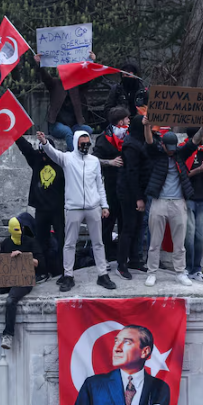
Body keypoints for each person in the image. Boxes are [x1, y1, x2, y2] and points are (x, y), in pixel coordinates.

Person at [36, 130, 117, 292]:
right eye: (82, 143)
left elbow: (99, 185)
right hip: (74, 207)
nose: (85, 146)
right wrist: (44, 142)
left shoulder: (94, 161)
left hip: (93, 207)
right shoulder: (67, 159)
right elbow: (53, 153)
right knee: (69, 243)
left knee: (98, 242)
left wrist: (105, 205)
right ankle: (68, 275)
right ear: (76, 142)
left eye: (88, 143)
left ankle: (102, 274)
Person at [0, 216, 44, 351]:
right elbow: (3, 262)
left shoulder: (31, 242)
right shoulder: (6, 243)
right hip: (8, 279)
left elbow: (39, 263)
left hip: (24, 280)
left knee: (11, 300)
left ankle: (8, 334)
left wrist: (23, 256)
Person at [142, 125, 196, 286]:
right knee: (154, 242)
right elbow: (149, 141)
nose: (171, 151)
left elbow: (194, 142)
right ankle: (151, 273)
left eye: (173, 148)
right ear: (163, 145)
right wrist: (146, 125)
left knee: (179, 243)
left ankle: (180, 272)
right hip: (159, 201)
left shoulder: (179, 153)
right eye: (168, 148)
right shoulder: (156, 154)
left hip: (179, 202)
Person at [15, 135, 65, 281]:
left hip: (57, 209)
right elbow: (26, 149)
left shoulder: (61, 162)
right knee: (40, 242)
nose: (43, 155)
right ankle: (42, 272)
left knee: (62, 240)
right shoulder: (36, 160)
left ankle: (63, 270)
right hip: (41, 209)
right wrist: (16, 135)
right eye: (41, 151)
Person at [35, 53, 93, 151]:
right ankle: (73, 154)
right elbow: (45, 77)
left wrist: (91, 62)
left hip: (74, 125)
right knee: (67, 132)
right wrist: (38, 63)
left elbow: (88, 79)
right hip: (57, 124)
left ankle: (84, 152)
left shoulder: (76, 87)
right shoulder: (55, 84)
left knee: (88, 130)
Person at [117, 115, 151, 276]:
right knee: (129, 227)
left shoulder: (140, 141)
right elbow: (132, 172)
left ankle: (135, 260)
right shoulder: (131, 145)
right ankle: (122, 263)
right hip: (130, 192)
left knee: (138, 227)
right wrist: (138, 197)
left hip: (139, 190)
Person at [178, 127, 203, 282]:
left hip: (201, 198)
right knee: (189, 236)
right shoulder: (183, 150)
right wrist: (199, 169)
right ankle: (187, 268)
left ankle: (197, 269)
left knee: (201, 237)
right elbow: (181, 174)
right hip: (188, 198)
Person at [94, 107, 129, 262]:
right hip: (110, 187)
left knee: (125, 223)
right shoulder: (103, 138)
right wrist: (110, 162)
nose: (129, 121)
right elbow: (93, 160)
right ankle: (106, 256)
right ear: (121, 121)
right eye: (127, 119)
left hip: (127, 187)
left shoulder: (130, 136)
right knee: (107, 223)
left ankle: (123, 257)